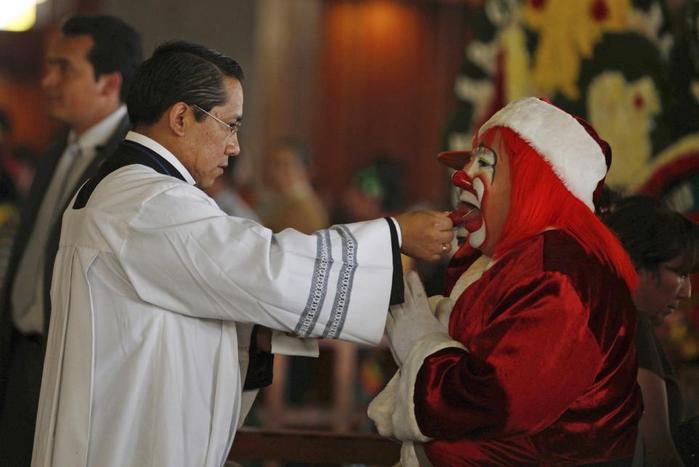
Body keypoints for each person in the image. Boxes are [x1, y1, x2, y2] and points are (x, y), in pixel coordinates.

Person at [31, 40, 453, 467]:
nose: (234, 146)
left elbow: (205, 293)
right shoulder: (151, 201)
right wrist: (394, 236)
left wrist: (261, 329)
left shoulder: (124, 188)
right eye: (230, 125)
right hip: (127, 441)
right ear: (180, 117)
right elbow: (264, 267)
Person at [368, 97, 643, 465]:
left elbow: (496, 405)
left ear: (535, 182)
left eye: (483, 162)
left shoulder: (560, 275)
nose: (461, 175)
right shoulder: (506, 261)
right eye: (468, 160)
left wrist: (423, 341)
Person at [0, 14, 142, 466]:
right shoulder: (58, 149)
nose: (47, 81)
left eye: (65, 69)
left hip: (77, 368)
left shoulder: (130, 165)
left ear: (109, 82)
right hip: (22, 355)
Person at [602, 194, 699, 466]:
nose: (687, 291)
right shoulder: (629, 323)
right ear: (637, 265)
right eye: (679, 273)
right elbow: (659, 454)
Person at [256, 137, 329, 234]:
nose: (272, 171)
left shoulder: (303, 211)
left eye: (282, 164)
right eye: (270, 163)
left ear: (304, 170)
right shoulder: (278, 200)